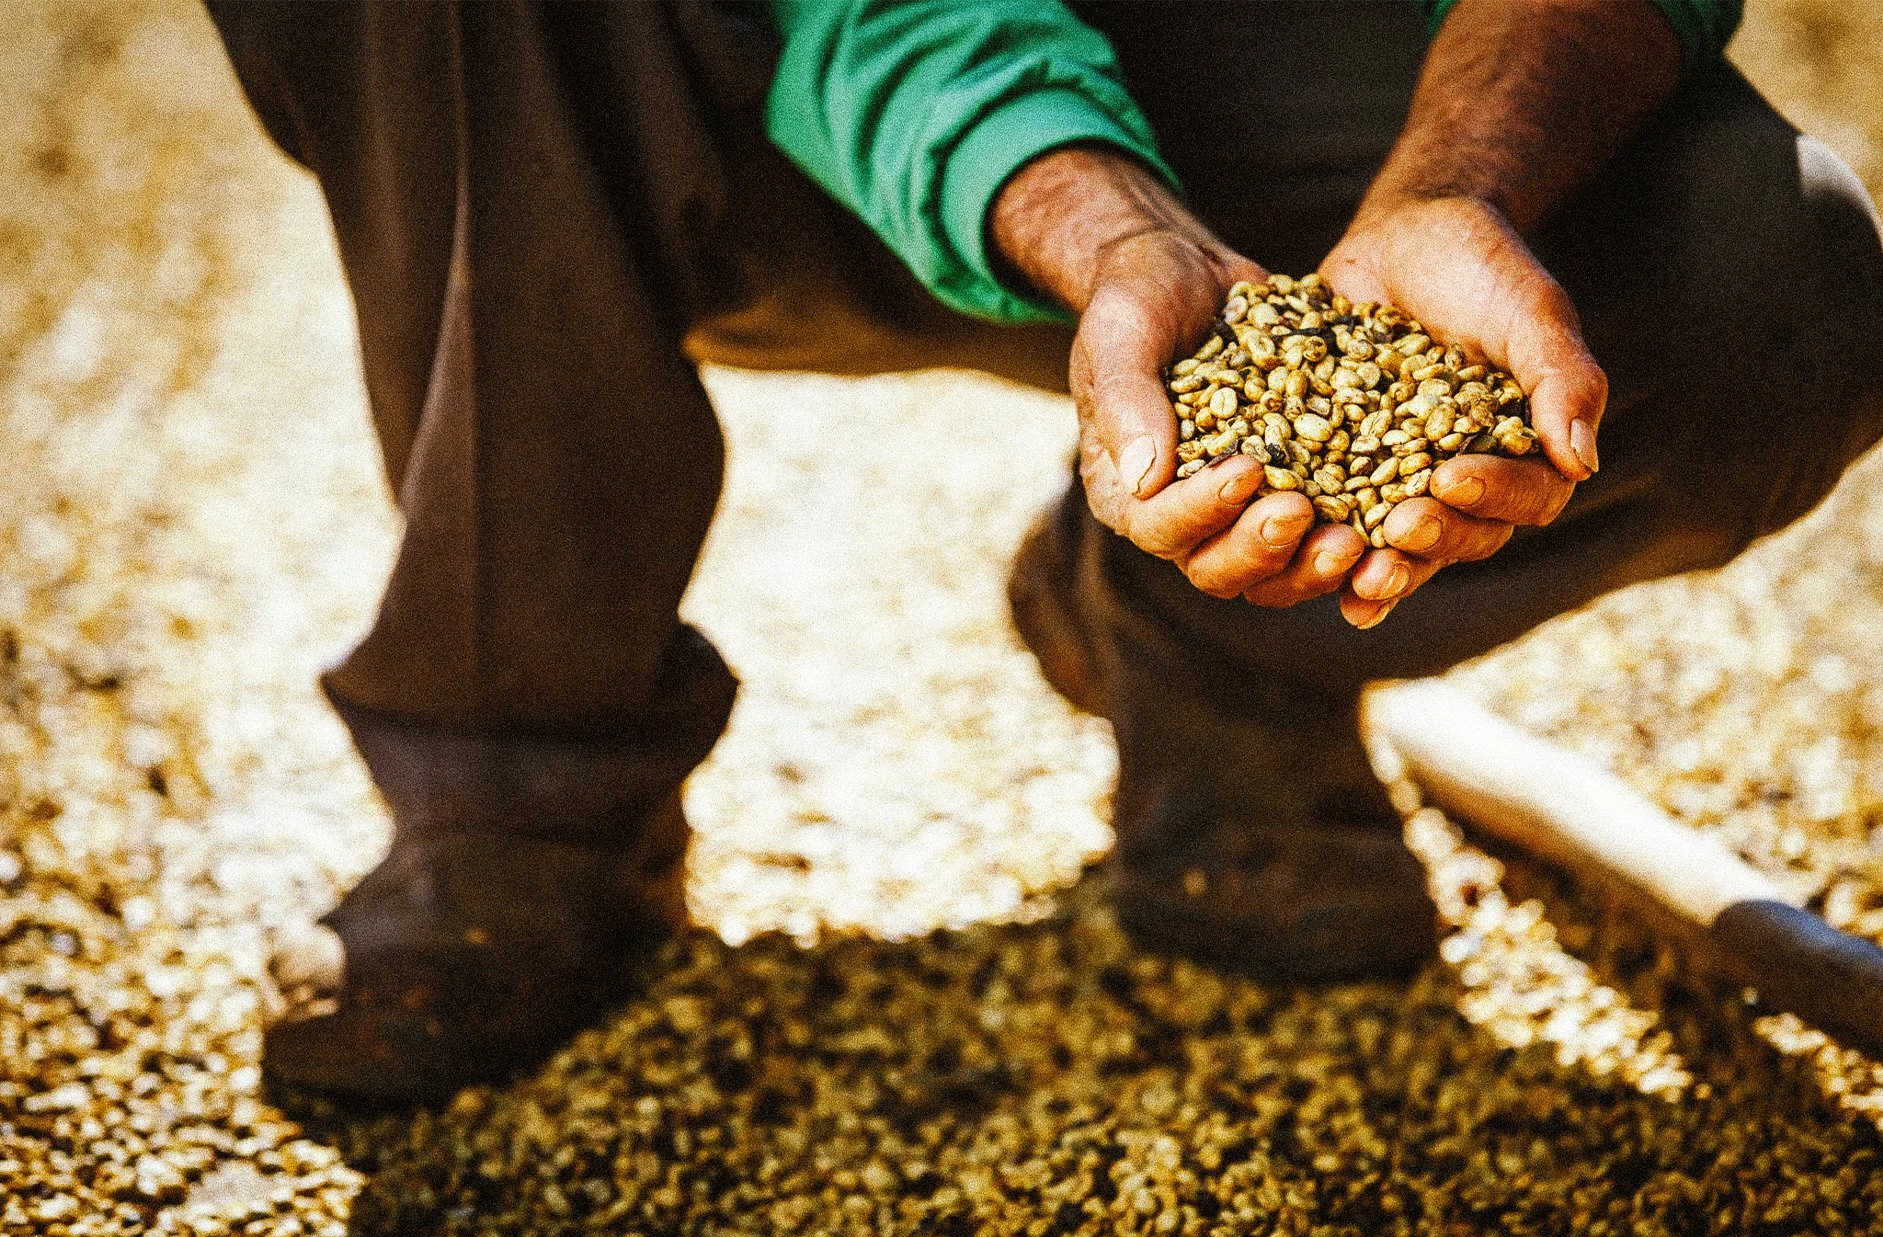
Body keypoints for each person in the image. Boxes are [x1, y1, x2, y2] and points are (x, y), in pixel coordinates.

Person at [204, 0, 1883, 1100]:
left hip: (1307, 56)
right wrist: (1105, 222)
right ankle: (517, 771)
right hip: (724, 63)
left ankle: (1211, 639)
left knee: (1781, 271)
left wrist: (1457, 182)